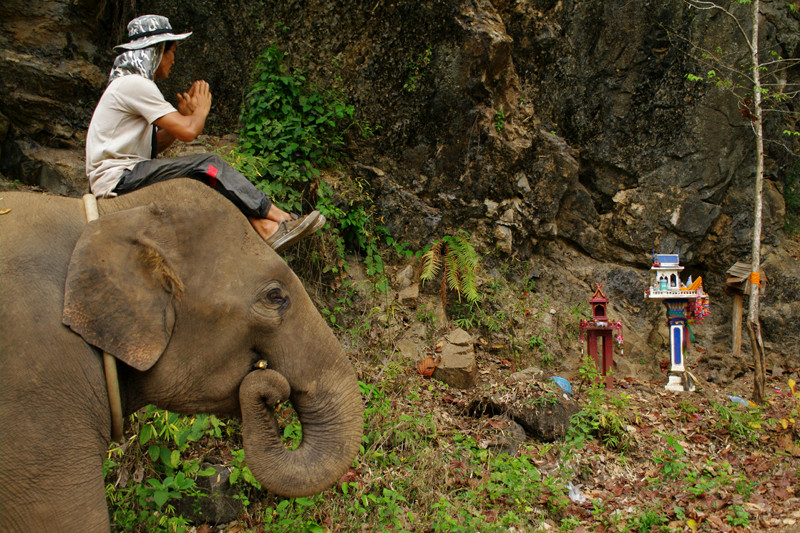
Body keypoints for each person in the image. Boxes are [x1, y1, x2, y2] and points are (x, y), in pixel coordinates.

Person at [85, 14, 322, 252]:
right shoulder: (134, 84)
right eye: (172, 51)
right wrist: (200, 113)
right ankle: (281, 217)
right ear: (156, 51)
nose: (174, 59)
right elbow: (190, 132)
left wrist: (184, 118)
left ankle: (265, 228)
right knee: (209, 163)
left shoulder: (129, 85)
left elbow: (154, 147)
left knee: (207, 178)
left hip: (125, 175)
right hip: (119, 179)